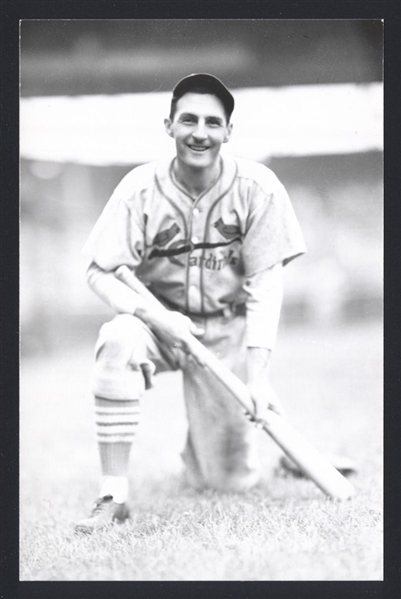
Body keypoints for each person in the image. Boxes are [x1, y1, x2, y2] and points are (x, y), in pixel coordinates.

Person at [75, 73, 307, 533]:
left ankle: (239, 451)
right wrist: (154, 317)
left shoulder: (258, 188)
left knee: (226, 483)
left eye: (212, 122)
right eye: (188, 120)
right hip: (155, 322)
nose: (200, 132)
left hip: (225, 329)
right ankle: (113, 495)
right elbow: (98, 270)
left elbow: (265, 285)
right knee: (117, 339)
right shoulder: (138, 188)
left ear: (228, 132)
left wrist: (257, 376)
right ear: (169, 126)